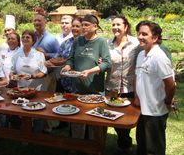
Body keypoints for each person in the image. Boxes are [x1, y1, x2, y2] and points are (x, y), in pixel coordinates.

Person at [61, 14, 111, 145]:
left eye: (86, 25)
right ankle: (77, 147)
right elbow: (71, 59)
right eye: (82, 24)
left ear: (95, 27)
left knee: (95, 122)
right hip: (78, 89)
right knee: (77, 121)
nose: (83, 27)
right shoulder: (78, 41)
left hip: (95, 90)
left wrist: (90, 71)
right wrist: (67, 67)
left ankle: (95, 148)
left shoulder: (101, 42)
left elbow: (107, 63)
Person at [134, 20, 176, 155]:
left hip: (155, 111)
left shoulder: (159, 57)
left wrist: (168, 102)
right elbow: (137, 76)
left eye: (144, 34)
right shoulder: (141, 54)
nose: (140, 37)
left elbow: (170, 84)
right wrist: (136, 97)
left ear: (155, 38)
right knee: (141, 144)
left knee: (154, 149)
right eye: (139, 33)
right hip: (142, 109)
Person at [106, 16, 139, 155]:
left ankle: (124, 145)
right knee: (114, 116)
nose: (115, 27)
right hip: (112, 87)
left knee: (127, 117)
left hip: (129, 87)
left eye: (118, 24)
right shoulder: (107, 44)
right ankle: (124, 143)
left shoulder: (136, 44)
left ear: (126, 26)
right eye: (113, 25)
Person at [45, 17, 83, 130]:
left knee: (77, 103)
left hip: (80, 79)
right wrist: (50, 62)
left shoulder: (86, 43)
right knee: (64, 100)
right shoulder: (66, 43)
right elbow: (59, 58)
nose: (75, 28)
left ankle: (76, 127)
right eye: (74, 26)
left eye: (78, 26)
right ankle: (64, 123)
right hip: (65, 78)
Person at [9, 29, 47, 133]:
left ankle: (37, 134)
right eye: (23, 37)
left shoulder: (39, 55)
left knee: (37, 111)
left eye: (28, 37)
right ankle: (25, 135)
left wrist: (33, 76)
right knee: (23, 111)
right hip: (21, 89)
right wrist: (12, 77)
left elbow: (43, 72)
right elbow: (12, 71)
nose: (25, 39)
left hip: (37, 88)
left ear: (33, 41)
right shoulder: (16, 55)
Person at [33, 12, 60, 133]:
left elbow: (60, 56)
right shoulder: (30, 37)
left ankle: (47, 129)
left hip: (48, 76)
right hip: (32, 76)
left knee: (47, 101)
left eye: (39, 21)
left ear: (45, 23)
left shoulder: (52, 39)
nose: (37, 23)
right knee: (33, 100)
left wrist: (47, 55)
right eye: (35, 21)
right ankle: (33, 127)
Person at [0, 32, 21, 129]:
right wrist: (5, 81)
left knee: (17, 106)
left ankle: (16, 128)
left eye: (13, 39)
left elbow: (21, 68)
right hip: (4, 84)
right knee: (3, 106)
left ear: (18, 42)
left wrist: (14, 81)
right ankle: (3, 129)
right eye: (9, 39)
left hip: (17, 84)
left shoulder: (21, 52)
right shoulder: (3, 52)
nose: (10, 41)